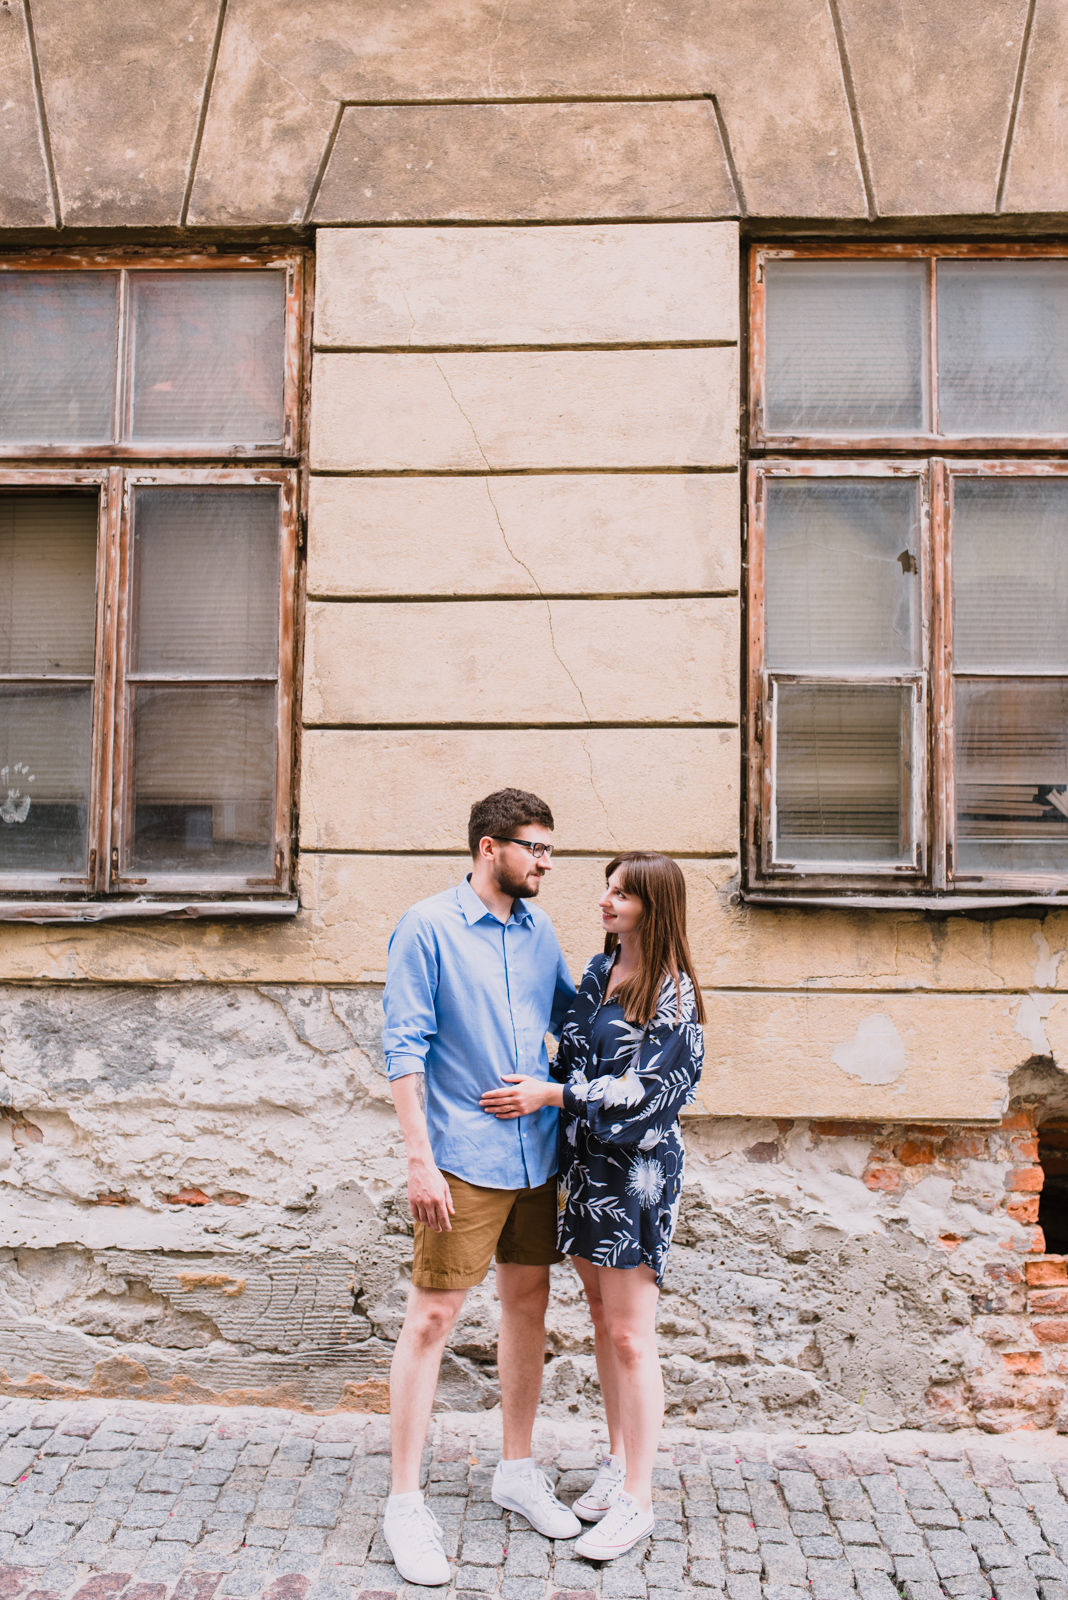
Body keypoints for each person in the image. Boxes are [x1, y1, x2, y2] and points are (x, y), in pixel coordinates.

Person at [380, 788, 582, 1586]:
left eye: (551, 851)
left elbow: (573, 1016)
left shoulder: (540, 932)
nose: (546, 863)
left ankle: (517, 1468)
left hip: (536, 1155)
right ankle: (404, 1501)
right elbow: (403, 1048)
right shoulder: (426, 927)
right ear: (490, 847)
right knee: (431, 1317)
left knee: (527, 1302)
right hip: (461, 1157)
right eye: (536, 848)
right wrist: (419, 1159)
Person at [480, 850, 704, 1561]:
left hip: (635, 1176)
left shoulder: (675, 993)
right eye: (607, 890)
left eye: (621, 894)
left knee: (634, 1334)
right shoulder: (597, 973)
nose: (604, 902)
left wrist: (556, 1097)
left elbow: (650, 1096)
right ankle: (616, 1463)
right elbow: (567, 1056)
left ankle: (638, 1496)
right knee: (605, 1321)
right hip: (582, 1170)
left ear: (654, 907)